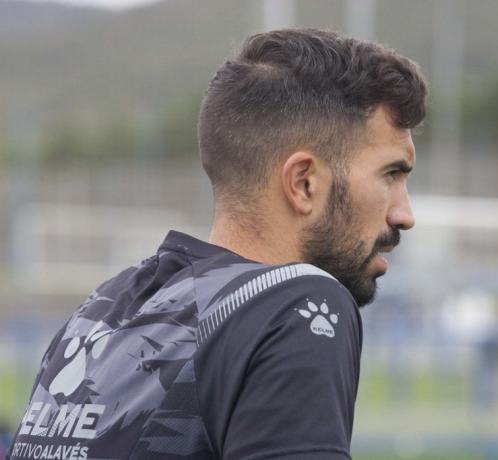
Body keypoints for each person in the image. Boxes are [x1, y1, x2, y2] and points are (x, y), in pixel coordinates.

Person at [9, 28, 427, 460]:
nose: (404, 214)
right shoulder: (296, 303)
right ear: (304, 183)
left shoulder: (99, 311)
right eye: (391, 175)